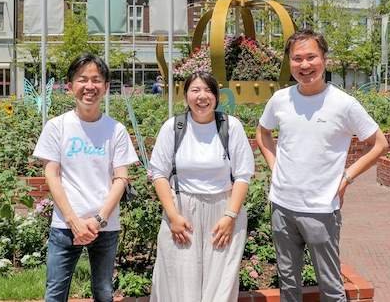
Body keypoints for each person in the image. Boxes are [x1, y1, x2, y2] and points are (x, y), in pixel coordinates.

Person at [256, 30, 388, 302]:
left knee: (330, 287)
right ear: (289, 62)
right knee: (288, 283)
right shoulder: (280, 99)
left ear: (324, 59)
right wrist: (275, 167)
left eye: (311, 57)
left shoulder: (343, 104)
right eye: (297, 58)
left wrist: (346, 178)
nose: (304, 65)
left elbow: (379, 144)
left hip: (321, 209)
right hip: (282, 205)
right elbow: (262, 133)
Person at [33, 53, 139, 302]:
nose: (89, 86)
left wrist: (99, 219)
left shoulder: (116, 130)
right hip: (65, 225)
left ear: (105, 87)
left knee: (103, 292)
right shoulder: (56, 126)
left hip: (105, 226)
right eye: (82, 79)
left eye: (96, 80)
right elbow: (52, 175)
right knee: (55, 294)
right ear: (70, 86)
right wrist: (74, 221)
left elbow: (121, 178)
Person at [149, 71, 255, 302]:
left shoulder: (231, 127)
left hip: (224, 212)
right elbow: (158, 173)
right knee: (178, 282)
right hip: (181, 212)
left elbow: (243, 175)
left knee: (220, 285)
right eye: (195, 90)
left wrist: (230, 216)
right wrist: (173, 216)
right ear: (186, 95)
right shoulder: (173, 127)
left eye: (208, 90)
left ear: (216, 96)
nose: (202, 96)